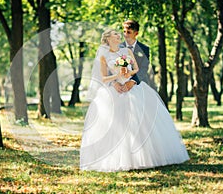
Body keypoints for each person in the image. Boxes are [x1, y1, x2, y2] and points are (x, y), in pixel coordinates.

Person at [80, 29, 189, 172]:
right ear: (108, 39)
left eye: (119, 34)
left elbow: (136, 69)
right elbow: (103, 78)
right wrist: (116, 80)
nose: (119, 36)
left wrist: (128, 74)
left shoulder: (126, 51)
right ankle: (115, 158)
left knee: (139, 122)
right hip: (114, 90)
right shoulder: (103, 56)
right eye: (115, 35)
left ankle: (143, 156)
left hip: (132, 88)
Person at [119, 19, 157, 90]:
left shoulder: (144, 49)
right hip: (121, 84)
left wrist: (132, 81)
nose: (125, 34)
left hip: (139, 84)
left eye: (129, 32)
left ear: (136, 33)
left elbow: (144, 68)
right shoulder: (118, 47)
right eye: (124, 31)